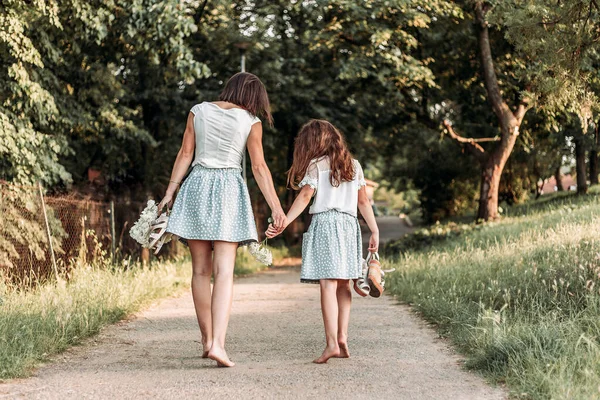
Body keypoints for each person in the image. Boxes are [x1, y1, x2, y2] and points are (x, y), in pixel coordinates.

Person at [158, 72, 286, 367]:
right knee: (224, 272)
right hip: (229, 189)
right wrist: (276, 208)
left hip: (196, 186)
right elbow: (259, 167)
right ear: (253, 97)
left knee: (200, 271)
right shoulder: (250, 121)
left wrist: (169, 193)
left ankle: (206, 341)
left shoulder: (198, 111)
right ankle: (218, 344)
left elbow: (185, 153)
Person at [266, 119, 379, 364]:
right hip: (350, 227)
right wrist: (375, 230)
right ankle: (342, 337)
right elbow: (363, 202)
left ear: (315, 143)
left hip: (326, 225)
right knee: (344, 285)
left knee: (327, 285)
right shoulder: (354, 166)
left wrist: (284, 221)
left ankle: (330, 344)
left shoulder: (317, 166)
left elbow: (305, 196)